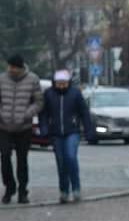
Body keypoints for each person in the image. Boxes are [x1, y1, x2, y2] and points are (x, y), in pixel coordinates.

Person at [38, 70, 95, 203]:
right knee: (61, 162)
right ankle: (64, 191)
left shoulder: (75, 93)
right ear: (54, 83)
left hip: (72, 131)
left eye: (64, 83)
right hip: (56, 132)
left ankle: (76, 189)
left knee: (71, 157)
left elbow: (84, 113)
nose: (62, 86)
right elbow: (43, 114)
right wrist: (44, 128)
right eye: (59, 83)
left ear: (68, 82)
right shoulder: (49, 94)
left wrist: (89, 131)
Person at [0, 54, 44, 204]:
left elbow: (39, 102)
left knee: (22, 160)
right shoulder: (2, 79)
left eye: (13, 67)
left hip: (24, 127)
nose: (10, 69)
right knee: (5, 156)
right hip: (4, 126)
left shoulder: (33, 79)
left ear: (20, 67)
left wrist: (26, 114)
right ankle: (9, 188)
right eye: (9, 66)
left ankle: (22, 191)